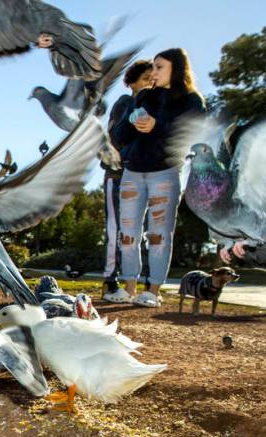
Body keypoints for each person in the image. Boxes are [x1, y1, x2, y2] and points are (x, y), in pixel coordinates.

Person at [110, 48, 206, 308]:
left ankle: (152, 291)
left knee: (159, 235)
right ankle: (129, 288)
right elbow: (119, 137)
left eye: (159, 67)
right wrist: (132, 120)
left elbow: (188, 138)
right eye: (153, 66)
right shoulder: (144, 97)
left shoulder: (191, 101)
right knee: (128, 234)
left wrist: (157, 126)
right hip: (132, 172)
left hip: (165, 173)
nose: (153, 72)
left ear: (176, 68)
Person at [101, 60, 153, 303]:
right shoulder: (124, 103)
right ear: (131, 82)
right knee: (115, 231)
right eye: (145, 79)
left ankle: (143, 284)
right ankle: (110, 282)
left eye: (153, 81)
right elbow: (115, 138)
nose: (149, 85)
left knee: (138, 232)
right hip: (118, 176)